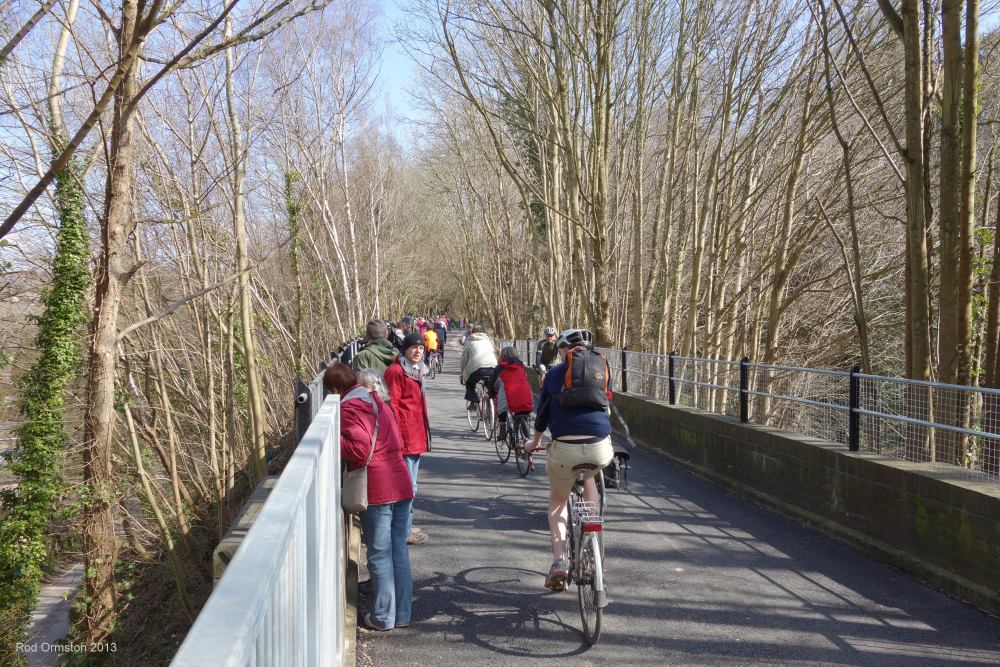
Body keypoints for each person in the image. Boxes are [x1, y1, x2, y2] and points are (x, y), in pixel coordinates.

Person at [324, 363, 413, 631]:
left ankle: (384, 617)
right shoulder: (375, 399)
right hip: (401, 481)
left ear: (335, 389)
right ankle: (403, 614)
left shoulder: (351, 407)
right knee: (398, 550)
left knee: (379, 554)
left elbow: (360, 449)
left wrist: (331, 440)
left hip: (379, 488)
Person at [524, 327, 614, 591]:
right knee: (590, 479)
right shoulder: (602, 370)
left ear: (564, 349)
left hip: (565, 449)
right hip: (600, 446)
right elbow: (605, 408)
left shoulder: (554, 374)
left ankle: (559, 562)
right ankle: (593, 536)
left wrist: (535, 442)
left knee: (558, 499)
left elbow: (542, 414)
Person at [384, 332, 431, 546]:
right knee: (407, 485)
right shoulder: (396, 372)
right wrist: (396, 437)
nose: (418, 351)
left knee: (410, 484)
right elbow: (392, 405)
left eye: (421, 348)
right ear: (404, 349)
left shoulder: (416, 370)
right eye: (414, 347)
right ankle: (403, 530)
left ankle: (405, 525)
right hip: (405, 436)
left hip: (415, 433)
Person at [490, 347, 535, 442]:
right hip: (526, 398)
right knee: (522, 413)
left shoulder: (499, 368)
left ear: (502, 356)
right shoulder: (522, 366)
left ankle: (502, 430)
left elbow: (493, 385)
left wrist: (492, 394)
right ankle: (525, 436)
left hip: (508, 399)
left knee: (502, 409)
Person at [460, 324, 498, 410]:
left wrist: (462, 374)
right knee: (490, 386)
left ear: (472, 332)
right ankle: (490, 408)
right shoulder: (489, 340)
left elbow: (464, 359)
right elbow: (495, 354)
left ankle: (474, 402)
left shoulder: (469, 341)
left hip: (477, 369)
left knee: (469, 383)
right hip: (493, 368)